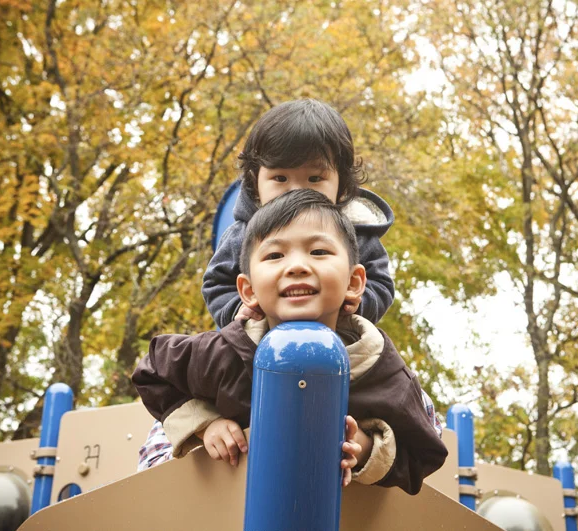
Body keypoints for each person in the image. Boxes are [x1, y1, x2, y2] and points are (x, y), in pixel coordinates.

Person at [132, 190, 447, 494]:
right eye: (275, 255)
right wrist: (205, 424)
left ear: (354, 283)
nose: (296, 266)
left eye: (318, 252)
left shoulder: (380, 369)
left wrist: (365, 449)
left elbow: (424, 453)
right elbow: (153, 371)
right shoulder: (226, 352)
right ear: (248, 290)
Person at [202, 98, 395, 327]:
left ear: (341, 184)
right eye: (280, 179)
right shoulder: (243, 234)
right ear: (255, 181)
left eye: (314, 179)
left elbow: (380, 282)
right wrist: (237, 309)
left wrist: (358, 304)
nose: (296, 191)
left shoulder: (357, 230)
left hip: (338, 343)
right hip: (261, 344)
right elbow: (217, 283)